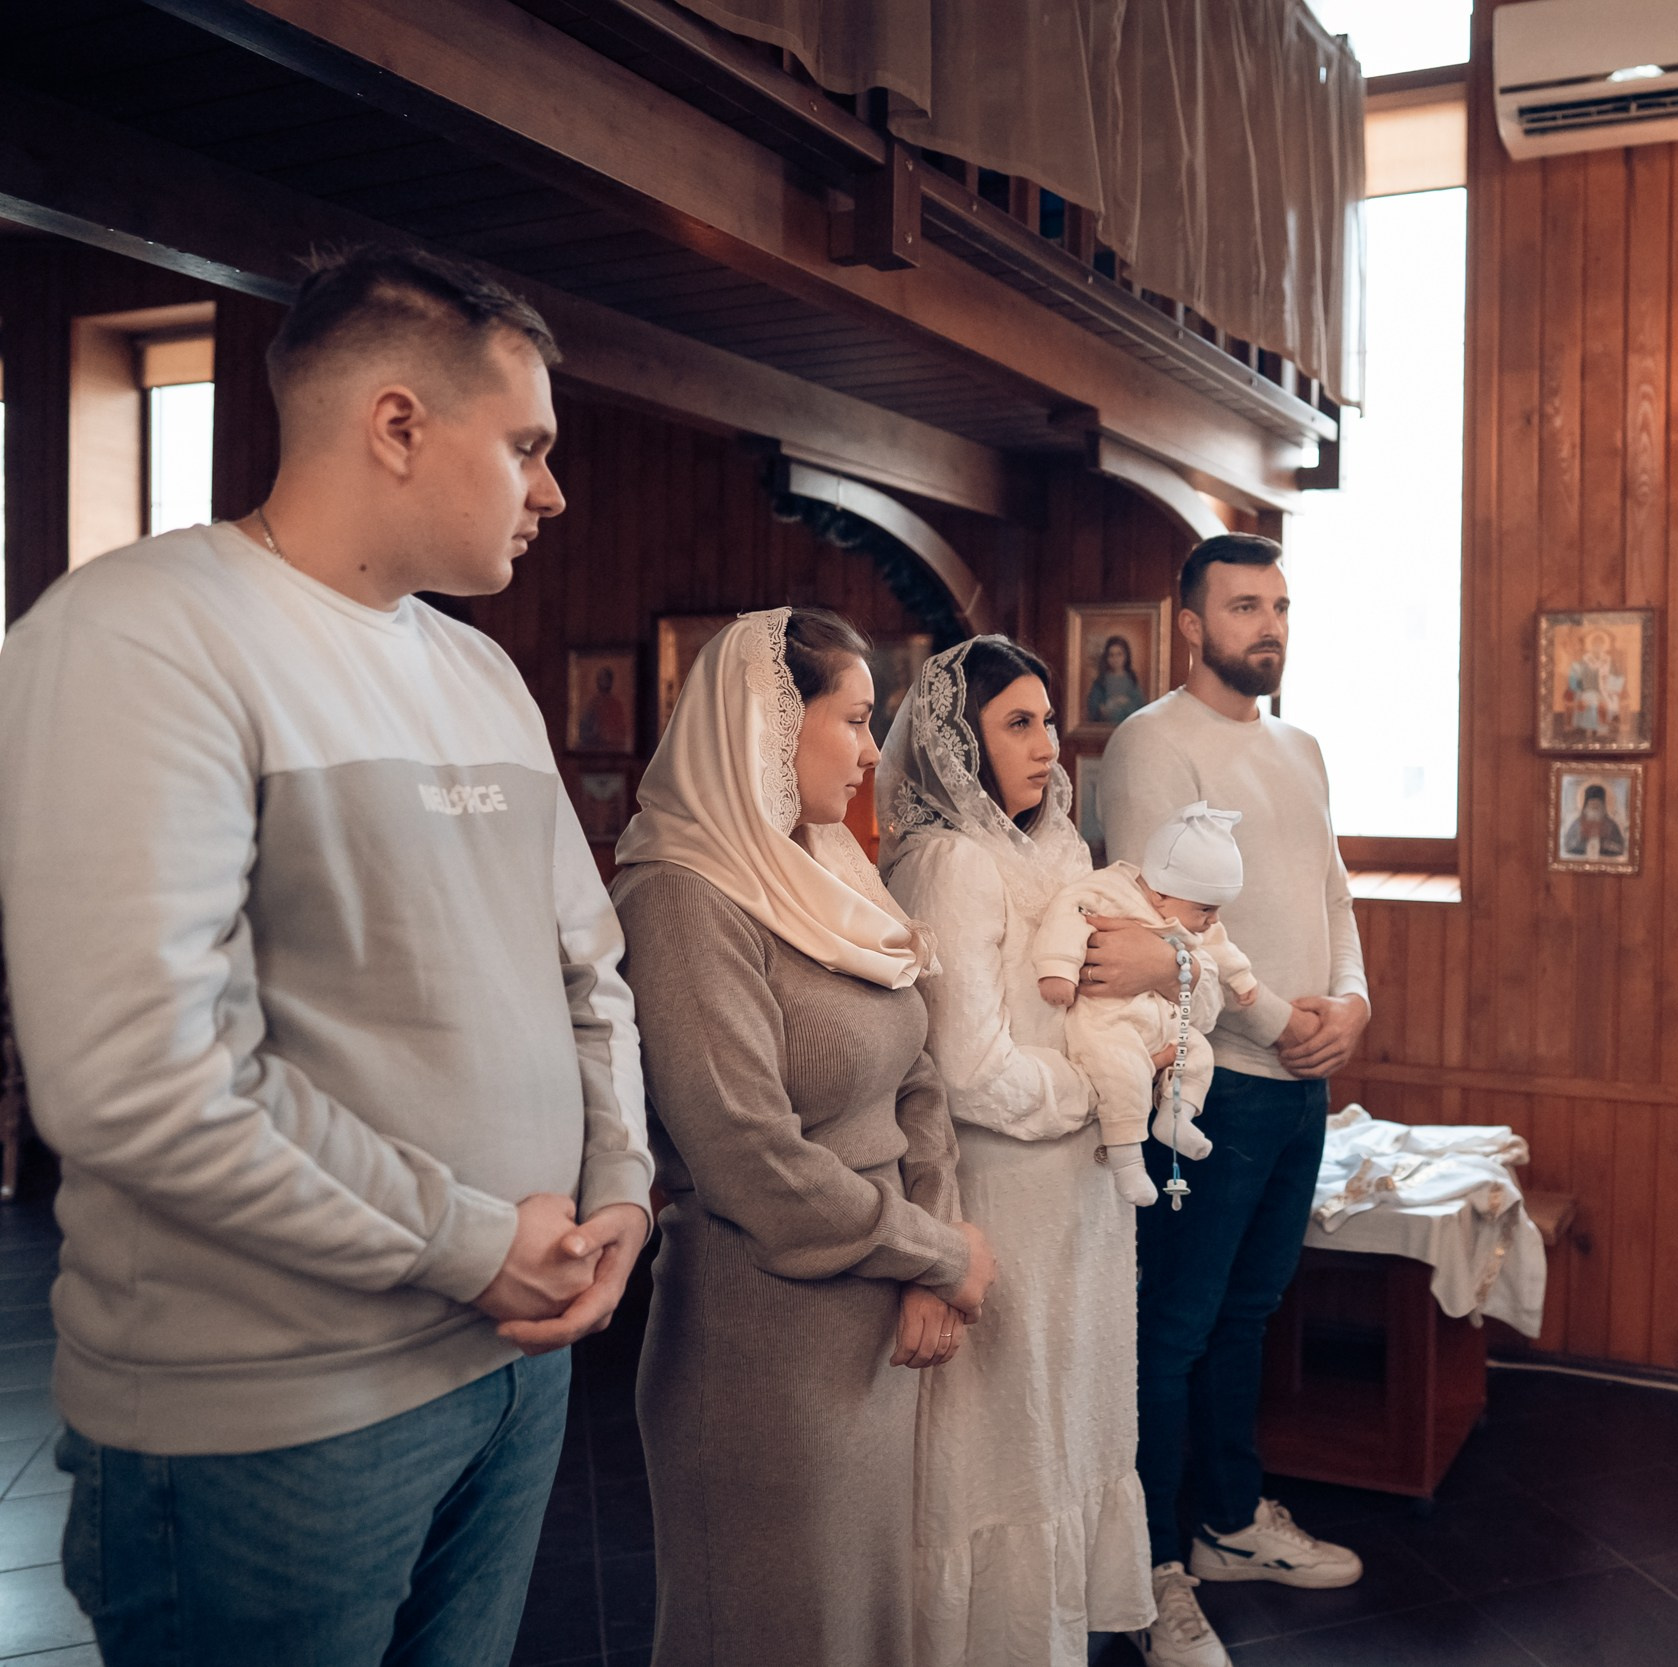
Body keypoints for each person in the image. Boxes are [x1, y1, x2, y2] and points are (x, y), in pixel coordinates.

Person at [0, 247, 653, 1664]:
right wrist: (477, 1242)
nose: (553, 492)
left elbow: (587, 972)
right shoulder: (141, 635)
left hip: (515, 1362)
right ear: (399, 424)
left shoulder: (481, 669)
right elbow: (144, 1080)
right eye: (528, 445)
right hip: (275, 1415)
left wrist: (623, 1190)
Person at [612, 607, 995, 1664]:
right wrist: (941, 1251)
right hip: (761, 1349)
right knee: (775, 1630)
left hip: (876, 1316)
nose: (875, 750)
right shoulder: (683, 895)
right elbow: (746, 1156)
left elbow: (915, 1067)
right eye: (857, 719)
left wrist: (932, 1250)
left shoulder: (825, 863)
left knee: (867, 1627)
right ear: (766, 727)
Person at [1097, 533, 1369, 1667]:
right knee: (1172, 1326)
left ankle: (1228, 1522)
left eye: (1282, 606)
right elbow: (1152, 923)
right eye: (1245, 605)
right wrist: (1279, 1022)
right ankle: (1154, 1569)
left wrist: (1352, 1001)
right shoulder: (1151, 742)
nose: (1269, 625)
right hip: (1201, 1085)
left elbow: (1332, 890)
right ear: (1191, 622)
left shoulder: (1299, 744)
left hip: (1299, 1085)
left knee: (1250, 1312)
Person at [879, 636, 1156, 1666]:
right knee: (1005, 1434)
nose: (1047, 743)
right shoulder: (952, 860)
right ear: (959, 742)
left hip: (1082, 1191)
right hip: (1004, 1186)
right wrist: (1094, 1090)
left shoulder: (1066, 851)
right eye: (1016, 723)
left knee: (1070, 1418)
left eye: (1047, 720)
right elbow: (966, 1066)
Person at [1035, 801, 1262, 1205]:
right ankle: (1127, 1162)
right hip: (1110, 1020)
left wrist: (1241, 976)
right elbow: (1066, 915)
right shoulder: (1109, 892)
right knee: (1123, 1073)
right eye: (1206, 909)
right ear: (1160, 892)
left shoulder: (1190, 911)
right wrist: (1059, 969)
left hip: (1165, 1017)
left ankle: (1179, 1119)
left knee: (1199, 1052)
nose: (1212, 920)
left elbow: (1217, 945)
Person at [1088, 633, 1147, 727]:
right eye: (1111, 655)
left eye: (1119, 654)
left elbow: (1140, 707)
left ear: (1126, 656)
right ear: (1106, 657)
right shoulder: (1101, 681)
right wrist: (1103, 709)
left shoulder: (1132, 679)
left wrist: (1126, 703)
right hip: (1106, 728)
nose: (1115, 659)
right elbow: (1094, 707)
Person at [1560, 782, 1627, 859]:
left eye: (1597, 804)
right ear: (1586, 806)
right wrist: (1583, 841)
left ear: (1603, 806)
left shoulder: (1611, 824)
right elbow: (1567, 847)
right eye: (1592, 804)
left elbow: (1621, 848)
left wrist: (1604, 844)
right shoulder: (1577, 824)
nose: (1594, 807)